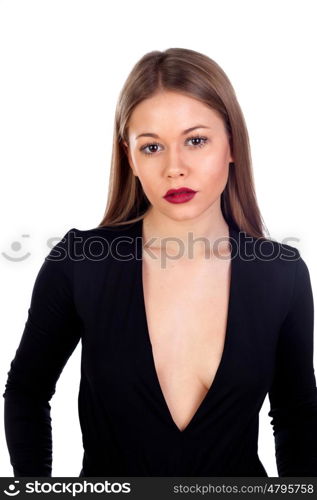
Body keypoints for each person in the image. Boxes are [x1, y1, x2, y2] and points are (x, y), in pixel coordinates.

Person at [3, 47, 317, 477]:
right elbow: (26, 392)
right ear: (130, 157)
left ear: (232, 145)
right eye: (152, 147)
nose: (175, 168)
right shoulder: (80, 264)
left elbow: (297, 414)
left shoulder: (283, 275)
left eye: (196, 140)